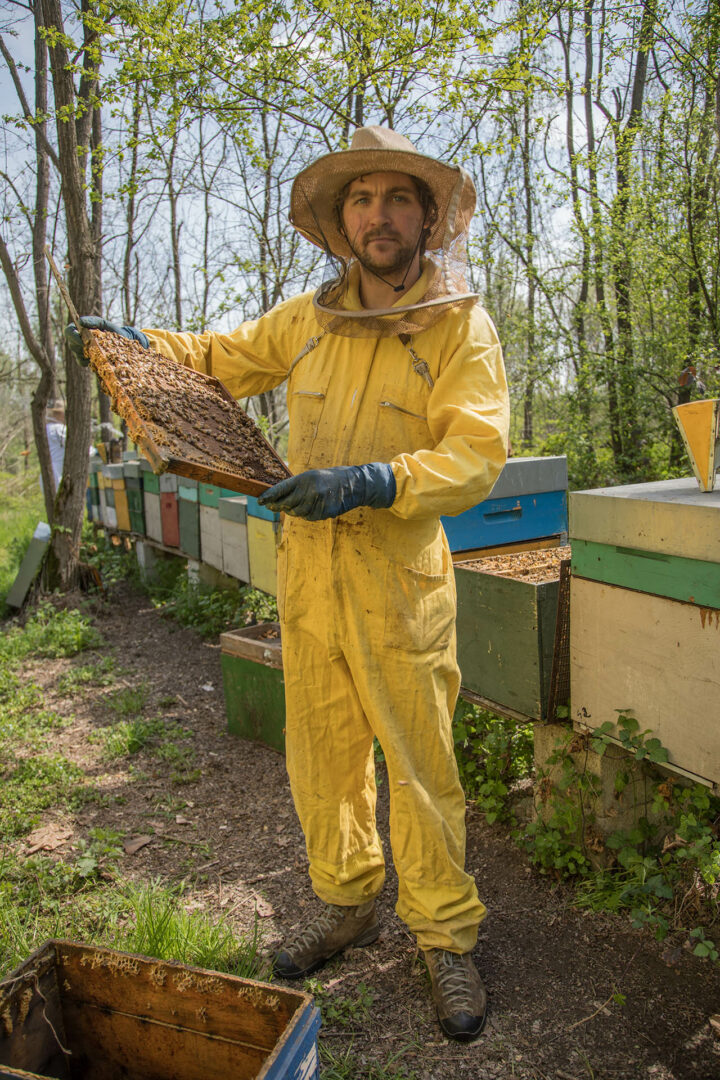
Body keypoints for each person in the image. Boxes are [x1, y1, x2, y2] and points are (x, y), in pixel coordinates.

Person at [66, 126, 510, 1042]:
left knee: (419, 767)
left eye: (395, 199)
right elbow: (219, 357)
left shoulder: (459, 324)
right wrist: (136, 341)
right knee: (321, 755)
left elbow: (475, 455)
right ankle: (348, 904)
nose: (376, 215)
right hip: (308, 578)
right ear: (341, 221)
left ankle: (445, 938)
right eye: (360, 200)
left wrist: (375, 480)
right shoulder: (308, 321)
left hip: (397, 581)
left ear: (426, 217)